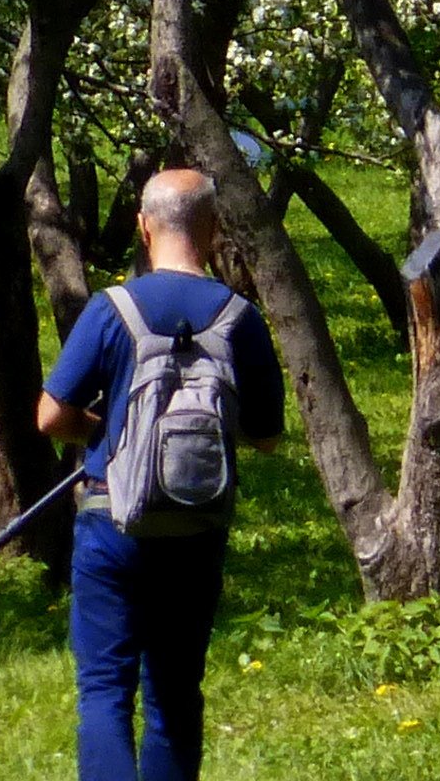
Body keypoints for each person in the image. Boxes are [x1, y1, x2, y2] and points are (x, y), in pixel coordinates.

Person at [36, 165, 286, 781]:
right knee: (175, 697)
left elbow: (49, 416)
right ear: (214, 228)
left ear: (145, 227)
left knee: (104, 692)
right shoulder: (240, 318)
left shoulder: (112, 308)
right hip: (195, 531)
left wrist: (101, 428)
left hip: (109, 522)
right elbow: (267, 436)